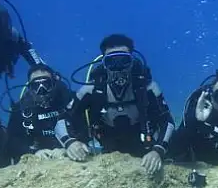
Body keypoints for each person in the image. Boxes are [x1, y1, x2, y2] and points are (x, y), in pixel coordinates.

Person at [55, 34, 175, 175]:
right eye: (111, 62)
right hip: (106, 144)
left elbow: (167, 120)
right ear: (104, 64)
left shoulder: (147, 88)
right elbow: (63, 118)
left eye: (124, 61)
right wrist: (70, 142)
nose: (118, 68)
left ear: (132, 62)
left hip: (142, 144)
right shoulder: (91, 90)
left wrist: (158, 150)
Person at [6, 64, 74, 163]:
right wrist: (33, 152)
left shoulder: (68, 101)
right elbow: (12, 141)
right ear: (30, 88)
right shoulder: (20, 109)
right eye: (36, 86)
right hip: (38, 155)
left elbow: (85, 126)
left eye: (46, 84)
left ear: (54, 84)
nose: (41, 90)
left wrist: (73, 144)